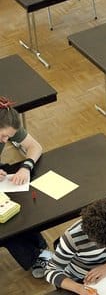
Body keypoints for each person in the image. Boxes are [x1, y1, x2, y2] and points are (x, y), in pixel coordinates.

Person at [0, 97, 50, 279]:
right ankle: (36, 256)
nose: (5, 140)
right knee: (6, 225)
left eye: (9, 137)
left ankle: (41, 250)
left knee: (20, 206)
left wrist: (26, 166)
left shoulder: (6, 122)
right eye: (3, 136)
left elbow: (35, 146)